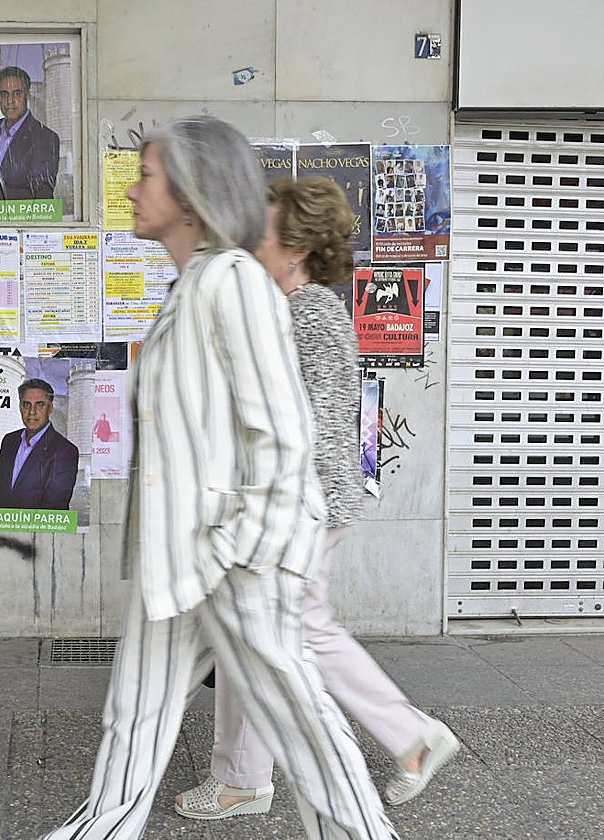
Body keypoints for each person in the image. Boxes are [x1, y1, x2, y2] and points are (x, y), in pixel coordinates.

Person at [40, 116, 398, 840]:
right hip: (179, 564)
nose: (134, 189)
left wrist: (240, 548)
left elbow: (285, 433)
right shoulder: (190, 288)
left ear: (193, 191)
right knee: (133, 717)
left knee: (305, 729)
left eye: (147, 175)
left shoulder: (233, 282)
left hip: (234, 562)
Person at [174, 176, 460, 822]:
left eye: (264, 234)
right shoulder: (288, 310)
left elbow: (303, 424)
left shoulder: (308, 315)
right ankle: (243, 778)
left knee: (299, 627)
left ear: (296, 248)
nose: (250, 243)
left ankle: (410, 737)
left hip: (302, 504)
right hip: (293, 501)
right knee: (252, 635)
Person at [0, 378, 78, 510]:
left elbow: (54, 506)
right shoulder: (9, 440)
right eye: (27, 405)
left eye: (40, 405)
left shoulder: (65, 451)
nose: (32, 412)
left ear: (50, 408)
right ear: (20, 407)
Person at [0, 66, 59, 201]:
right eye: (4, 94)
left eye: (17, 93)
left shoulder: (45, 138)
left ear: (27, 95)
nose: (10, 101)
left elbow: (40, 195)